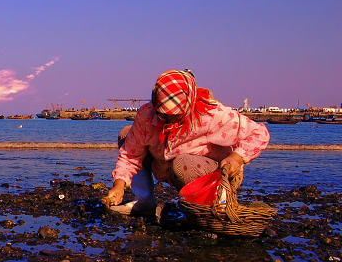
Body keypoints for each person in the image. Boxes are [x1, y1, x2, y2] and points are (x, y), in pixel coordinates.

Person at [102, 69, 270, 215]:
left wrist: (237, 157)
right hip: (165, 166)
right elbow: (130, 155)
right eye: (163, 113)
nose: (169, 119)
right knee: (127, 134)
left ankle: (208, 208)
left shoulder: (211, 115)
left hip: (213, 171)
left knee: (182, 164)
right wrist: (119, 185)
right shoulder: (147, 115)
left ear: (189, 102)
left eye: (175, 114)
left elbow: (259, 133)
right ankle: (145, 202)